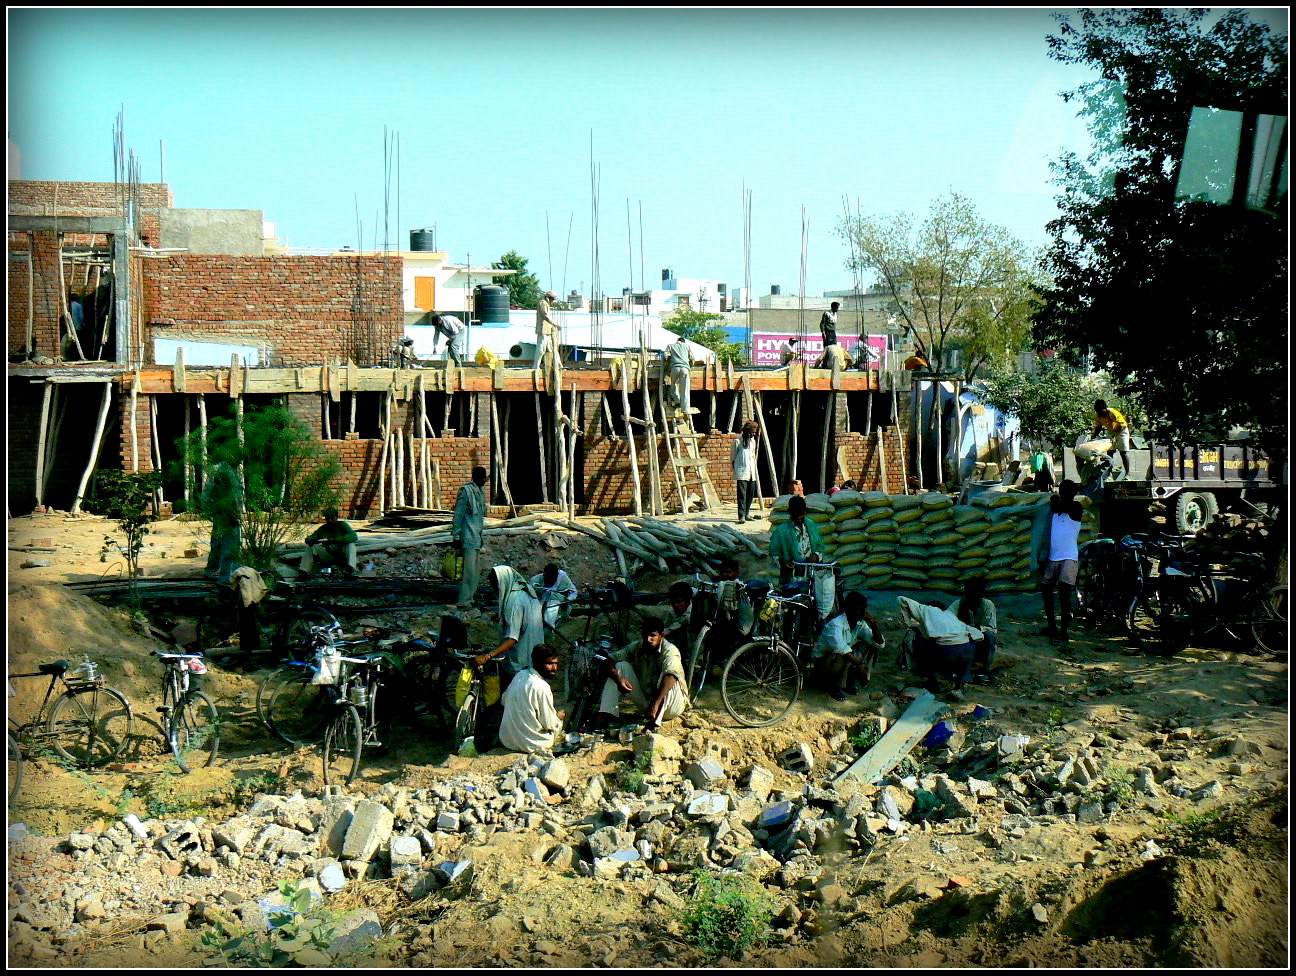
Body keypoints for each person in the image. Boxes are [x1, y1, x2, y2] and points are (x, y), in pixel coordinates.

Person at [597, 617, 689, 730]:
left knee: (670, 677)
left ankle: (655, 722)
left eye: (652, 635)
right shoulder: (637, 647)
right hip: (647, 702)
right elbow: (610, 659)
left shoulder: (670, 651)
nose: (648, 639)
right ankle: (606, 715)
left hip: (671, 706)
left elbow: (671, 676)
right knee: (620, 667)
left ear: (662, 635)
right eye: (645, 635)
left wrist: (655, 705)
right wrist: (619, 679)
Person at [475, 566, 545, 687]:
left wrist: (489, 656)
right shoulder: (525, 593)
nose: (494, 590)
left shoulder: (514, 602)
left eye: (495, 585)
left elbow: (512, 638)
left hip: (520, 664)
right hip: (535, 659)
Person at [897, 596, 982, 692]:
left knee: (919, 641)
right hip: (967, 650)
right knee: (966, 647)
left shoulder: (927, 610)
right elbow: (977, 634)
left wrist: (908, 622)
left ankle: (933, 683)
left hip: (947, 652)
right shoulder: (951, 616)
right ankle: (959, 685)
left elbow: (901, 599)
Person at [814, 591, 886, 700]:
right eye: (857, 609)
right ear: (848, 608)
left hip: (841, 661)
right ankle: (833, 686)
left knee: (870, 645)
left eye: (862, 610)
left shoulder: (860, 624)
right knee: (843, 654)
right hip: (824, 664)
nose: (860, 613)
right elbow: (841, 648)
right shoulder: (835, 624)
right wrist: (861, 667)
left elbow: (879, 644)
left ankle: (849, 680)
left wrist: (873, 623)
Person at [498, 644, 566, 754]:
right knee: (557, 722)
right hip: (533, 744)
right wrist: (558, 718)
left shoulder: (520, 675)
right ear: (538, 664)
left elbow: (504, 700)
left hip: (508, 740)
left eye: (555, 664)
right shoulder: (542, 687)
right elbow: (548, 724)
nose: (554, 668)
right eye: (550, 664)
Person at [1039, 480, 1083, 645]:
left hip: (1068, 558)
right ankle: (1051, 626)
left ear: (1072, 494)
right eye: (1062, 491)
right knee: (1046, 591)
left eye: (1066, 492)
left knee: (1064, 598)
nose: (1063, 494)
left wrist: (1054, 499)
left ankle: (1064, 633)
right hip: (1053, 557)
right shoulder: (1057, 509)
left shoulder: (1075, 507)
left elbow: (1056, 506)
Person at [451, 466, 488, 606]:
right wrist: (456, 536)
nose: (485, 480)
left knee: (475, 572)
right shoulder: (465, 491)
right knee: (469, 573)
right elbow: (458, 515)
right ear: (475, 477)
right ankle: (463, 601)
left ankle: (470, 598)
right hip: (467, 536)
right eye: (482, 477)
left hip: (477, 537)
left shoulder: (481, 491)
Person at [202, 462, 243, 584]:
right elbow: (233, 497)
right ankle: (227, 578)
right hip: (227, 512)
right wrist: (236, 514)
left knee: (217, 542)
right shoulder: (226, 471)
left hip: (221, 512)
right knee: (230, 546)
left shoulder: (222, 468)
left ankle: (212, 570)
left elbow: (207, 493)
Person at [769, 494, 824, 585]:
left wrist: (816, 555)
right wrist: (783, 562)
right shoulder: (781, 531)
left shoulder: (811, 525)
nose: (798, 518)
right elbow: (773, 553)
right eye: (795, 515)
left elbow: (820, 545)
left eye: (801, 514)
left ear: (805, 512)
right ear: (790, 512)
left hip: (812, 574)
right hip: (791, 577)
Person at [955, 577, 998, 684]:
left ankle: (985, 669)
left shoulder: (988, 605)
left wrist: (978, 628)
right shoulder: (959, 604)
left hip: (981, 642)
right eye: (971, 592)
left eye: (977, 593)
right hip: (962, 640)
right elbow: (947, 620)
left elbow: (992, 628)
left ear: (981, 594)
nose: (973, 596)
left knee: (989, 635)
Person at [301, 508, 359, 578]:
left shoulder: (343, 525)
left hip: (342, 556)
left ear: (336, 518)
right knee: (311, 547)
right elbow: (310, 538)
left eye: (332, 518)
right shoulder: (323, 529)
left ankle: (351, 569)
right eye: (328, 519)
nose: (330, 520)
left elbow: (354, 536)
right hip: (329, 555)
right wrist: (313, 539)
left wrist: (334, 540)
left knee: (350, 545)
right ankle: (304, 572)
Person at [1092, 399, 1133, 478]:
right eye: (1097, 411)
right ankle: (1109, 475)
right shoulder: (1098, 416)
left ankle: (1127, 474)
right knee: (1110, 452)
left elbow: (1121, 425)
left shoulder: (1112, 413)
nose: (1099, 413)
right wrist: (1093, 436)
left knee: (1123, 452)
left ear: (1104, 409)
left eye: (1100, 411)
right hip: (1110, 431)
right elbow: (1098, 427)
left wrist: (1115, 436)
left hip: (1122, 430)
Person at [530, 563, 578, 629]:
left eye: (553, 578)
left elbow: (573, 592)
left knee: (552, 598)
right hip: (540, 605)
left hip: (560, 605)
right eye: (548, 577)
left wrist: (567, 600)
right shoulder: (535, 581)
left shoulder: (562, 577)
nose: (550, 580)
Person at [663, 335, 695, 424]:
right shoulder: (687, 346)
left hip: (674, 368)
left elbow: (665, 356)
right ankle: (685, 409)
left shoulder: (670, 346)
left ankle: (677, 401)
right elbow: (692, 358)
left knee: (673, 385)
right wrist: (690, 366)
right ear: (683, 342)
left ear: (677, 341)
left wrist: (666, 367)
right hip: (685, 369)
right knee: (685, 389)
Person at [732, 422, 759, 523]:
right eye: (751, 433)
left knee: (750, 494)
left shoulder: (753, 442)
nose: (753, 435)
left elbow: (752, 456)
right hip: (741, 471)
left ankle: (747, 513)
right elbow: (733, 457)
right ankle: (741, 516)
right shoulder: (737, 442)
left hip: (751, 471)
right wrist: (735, 468)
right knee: (742, 495)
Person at [534, 291, 562, 383]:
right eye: (553, 299)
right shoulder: (543, 303)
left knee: (553, 349)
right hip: (543, 331)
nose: (553, 302)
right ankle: (536, 366)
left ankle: (559, 365)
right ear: (548, 298)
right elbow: (545, 316)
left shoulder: (547, 304)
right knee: (541, 349)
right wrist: (556, 324)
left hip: (548, 331)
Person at [661, 580, 695, 653]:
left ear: (688, 601)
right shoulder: (671, 611)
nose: (676, 605)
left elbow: (685, 619)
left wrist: (669, 630)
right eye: (674, 602)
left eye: (679, 602)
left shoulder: (694, 610)